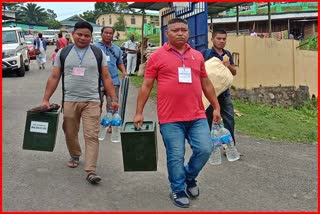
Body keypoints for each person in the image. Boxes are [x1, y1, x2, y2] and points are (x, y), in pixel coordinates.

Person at [133, 18, 221, 208]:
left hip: (196, 115)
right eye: (175, 30)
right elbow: (146, 85)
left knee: (205, 149)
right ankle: (178, 189)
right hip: (170, 118)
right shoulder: (157, 56)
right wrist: (139, 112)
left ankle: (189, 177)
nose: (180, 33)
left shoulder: (197, 56)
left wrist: (216, 106)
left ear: (188, 33)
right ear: (167, 33)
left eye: (183, 30)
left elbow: (206, 83)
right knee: (175, 155)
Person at [41, 21, 118, 184]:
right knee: (70, 132)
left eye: (87, 35)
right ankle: (75, 154)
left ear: (91, 37)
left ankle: (91, 170)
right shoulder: (64, 52)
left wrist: (114, 99)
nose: (83, 38)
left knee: (91, 135)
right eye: (80, 34)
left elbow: (106, 77)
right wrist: (46, 98)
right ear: (73, 34)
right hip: (69, 100)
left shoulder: (98, 53)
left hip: (92, 101)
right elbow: (55, 77)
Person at [201, 29, 238, 147]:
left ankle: (230, 147)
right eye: (219, 38)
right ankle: (206, 147)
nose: (221, 41)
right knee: (207, 120)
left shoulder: (227, 54)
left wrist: (227, 65)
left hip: (224, 94)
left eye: (224, 39)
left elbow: (234, 72)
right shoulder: (205, 54)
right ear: (212, 39)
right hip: (208, 94)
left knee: (229, 120)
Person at [95, 26, 127, 132]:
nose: (108, 35)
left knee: (112, 105)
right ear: (101, 34)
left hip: (113, 82)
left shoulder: (117, 49)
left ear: (113, 35)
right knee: (96, 105)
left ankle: (111, 126)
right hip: (97, 82)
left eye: (110, 33)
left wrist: (124, 72)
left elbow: (119, 62)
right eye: (106, 33)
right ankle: (94, 125)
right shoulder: (94, 48)